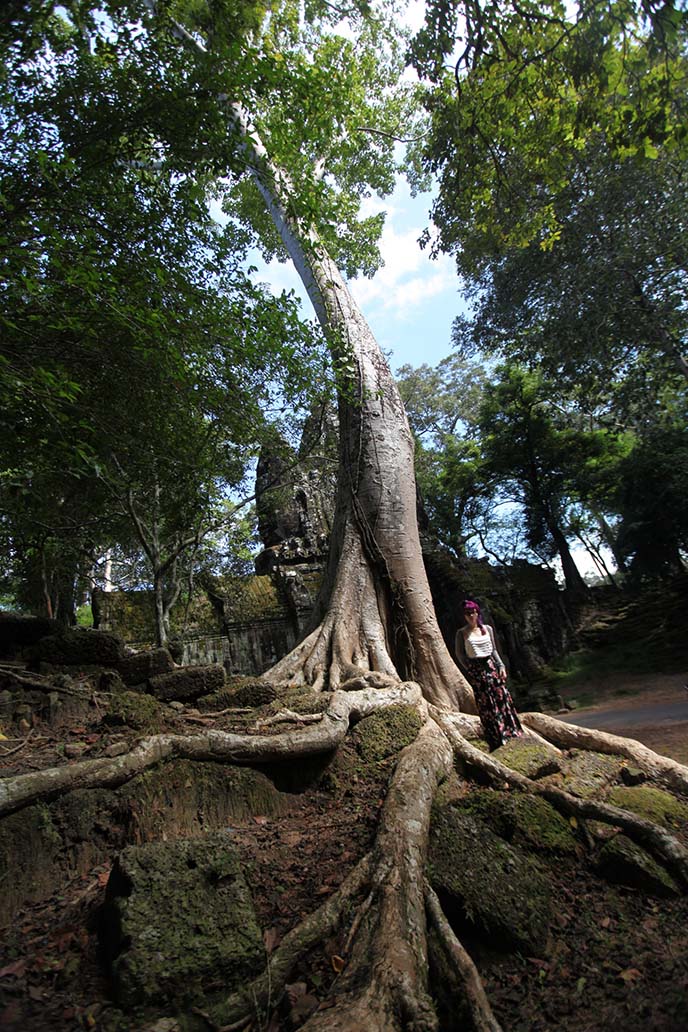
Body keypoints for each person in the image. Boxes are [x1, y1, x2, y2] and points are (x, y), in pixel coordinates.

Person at [455, 599, 523, 750]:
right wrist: (470, 668)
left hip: (491, 667)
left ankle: (511, 731)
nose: (471, 616)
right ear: (464, 616)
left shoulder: (487, 629)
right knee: (487, 704)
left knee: (501, 697)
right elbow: (459, 654)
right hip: (477, 670)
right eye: (468, 614)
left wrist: (501, 666)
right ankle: (496, 737)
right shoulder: (462, 633)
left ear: (477, 612)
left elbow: (493, 650)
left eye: (473, 612)